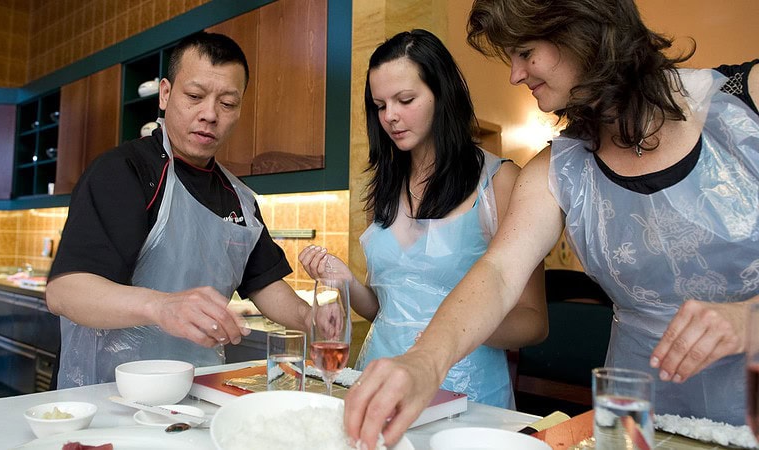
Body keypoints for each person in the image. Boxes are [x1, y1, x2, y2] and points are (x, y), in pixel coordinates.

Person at [343, 1, 759, 447]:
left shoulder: (746, 98)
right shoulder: (556, 168)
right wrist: (426, 361)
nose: (514, 75)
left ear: (582, 28)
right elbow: (499, 272)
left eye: (525, 52)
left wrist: (749, 318)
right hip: (638, 415)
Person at [46, 31, 312, 388]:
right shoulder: (122, 172)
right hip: (105, 394)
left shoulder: (239, 198)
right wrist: (161, 306)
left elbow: (265, 284)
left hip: (194, 392)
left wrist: (311, 318)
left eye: (227, 103)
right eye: (195, 96)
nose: (210, 115)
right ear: (165, 94)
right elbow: (64, 292)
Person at [298, 29, 546, 407]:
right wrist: (346, 281)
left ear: (442, 94)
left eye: (405, 100)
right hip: (379, 383)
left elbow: (533, 321)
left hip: (467, 394)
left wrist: (446, 333)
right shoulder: (383, 188)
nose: (390, 117)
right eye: (380, 105)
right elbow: (387, 309)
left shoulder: (500, 181)